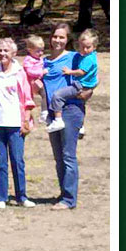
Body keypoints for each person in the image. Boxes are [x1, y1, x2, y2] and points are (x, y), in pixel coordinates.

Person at [42, 23, 91, 210]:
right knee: (58, 157)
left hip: (71, 110)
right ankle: (64, 193)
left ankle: (69, 199)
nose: (57, 40)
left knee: (68, 155)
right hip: (53, 113)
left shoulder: (75, 57)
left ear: (67, 39)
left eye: (62, 37)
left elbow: (90, 77)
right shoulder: (44, 61)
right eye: (55, 36)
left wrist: (88, 92)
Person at [0, 38, 36, 209]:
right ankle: (2, 197)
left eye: (6, 51)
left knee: (17, 160)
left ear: (14, 53)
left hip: (16, 122)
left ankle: (21, 196)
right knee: (0, 161)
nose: (2, 54)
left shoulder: (20, 72)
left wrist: (26, 120)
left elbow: (28, 99)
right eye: (0, 50)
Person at [46, 28, 98, 133]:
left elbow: (83, 72)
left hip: (78, 90)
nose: (84, 50)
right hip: (82, 86)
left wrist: (70, 72)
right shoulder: (88, 56)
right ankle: (81, 125)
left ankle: (58, 120)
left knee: (57, 95)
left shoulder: (85, 58)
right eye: (82, 47)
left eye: (88, 47)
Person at [23, 35, 49, 123]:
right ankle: (27, 116)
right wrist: (41, 72)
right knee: (29, 99)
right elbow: (29, 71)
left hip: (39, 80)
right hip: (31, 82)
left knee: (45, 94)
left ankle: (44, 111)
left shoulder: (40, 59)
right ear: (30, 50)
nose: (41, 53)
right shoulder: (28, 60)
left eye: (42, 50)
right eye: (38, 51)